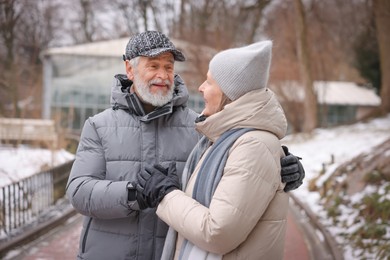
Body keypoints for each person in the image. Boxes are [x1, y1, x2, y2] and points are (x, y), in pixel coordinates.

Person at [66, 31, 304, 260]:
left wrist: (279, 165)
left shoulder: (201, 127)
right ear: (130, 69)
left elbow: (242, 158)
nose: (163, 74)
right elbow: (79, 191)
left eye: (168, 67)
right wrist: (134, 194)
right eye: (153, 65)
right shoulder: (99, 126)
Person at [137, 40, 293, 260]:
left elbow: (218, 233)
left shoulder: (252, 144)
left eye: (209, 82)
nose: (201, 87)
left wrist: (167, 194)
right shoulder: (221, 138)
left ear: (229, 94)